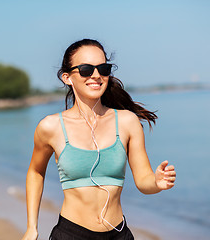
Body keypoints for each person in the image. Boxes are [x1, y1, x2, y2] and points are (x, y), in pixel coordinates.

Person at [22, 39, 176, 240]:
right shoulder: (51, 127)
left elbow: (143, 181)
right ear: (67, 77)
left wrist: (157, 182)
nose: (96, 75)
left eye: (103, 68)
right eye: (86, 69)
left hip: (119, 234)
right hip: (71, 234)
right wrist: (31, 227)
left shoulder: (127, 122)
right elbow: (35, 172)